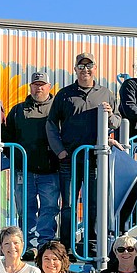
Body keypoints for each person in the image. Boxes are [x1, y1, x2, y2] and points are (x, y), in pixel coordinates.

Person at [46, 53, 120, 255]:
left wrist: (110, 114)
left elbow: (117, 121)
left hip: (95, 160)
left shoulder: (106, 94)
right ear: (75, 69)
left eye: (89, 66)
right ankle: (66, 247)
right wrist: (59, 151)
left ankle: (92, 245)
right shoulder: (64, 94)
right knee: (68, 205)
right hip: (69, 160)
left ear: (95, 68)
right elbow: (51, 124)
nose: (85, 70)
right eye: (81, 66)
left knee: (95, 204)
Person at [3, 71, 61, 258]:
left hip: (50, 170)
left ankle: (45, 244)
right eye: (36, 84)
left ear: (49, 87)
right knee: (25, 207)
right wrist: (15, 159)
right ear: (30, 87)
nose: (39, 87)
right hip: (24, 171)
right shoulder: (18, 110)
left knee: (49, 207)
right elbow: (6, 138)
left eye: (43, 84)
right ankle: (28, 245)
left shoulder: (57, 108)